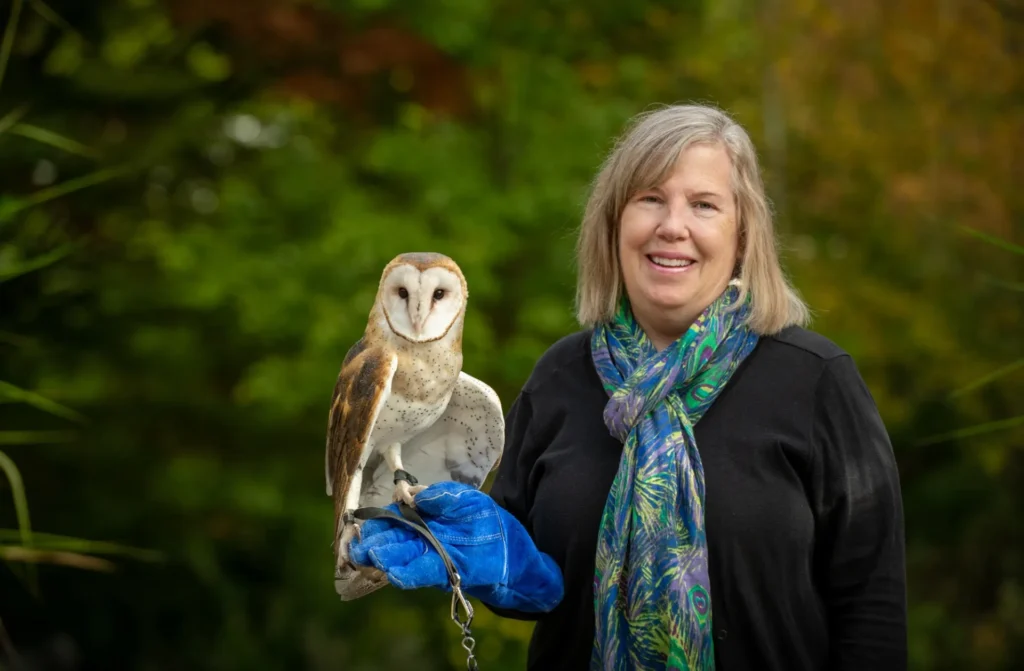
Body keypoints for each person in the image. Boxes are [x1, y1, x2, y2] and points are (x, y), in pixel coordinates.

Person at [348, 103, 907, 671]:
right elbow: (531, 587)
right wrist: (494, 563)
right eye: (650, 199)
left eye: (704, 205)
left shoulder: (815, 381)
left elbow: (872, 608)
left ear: (743, 234)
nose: (673, 225)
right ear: (614, 224)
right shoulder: (559, 379)